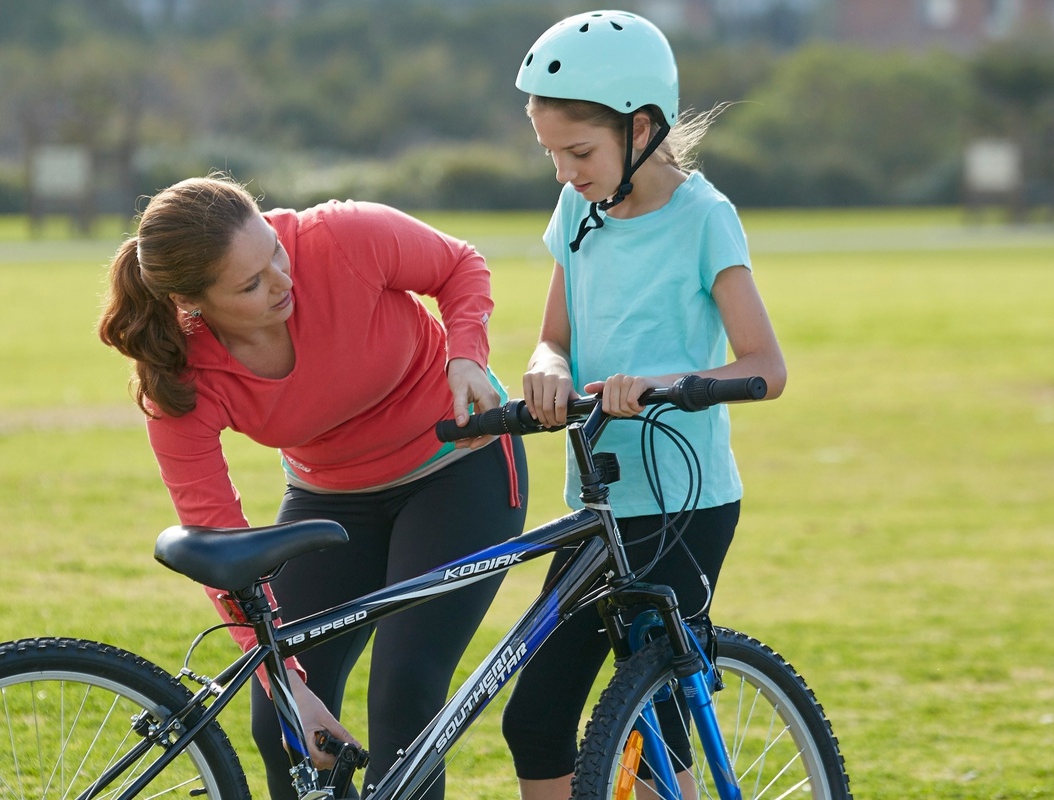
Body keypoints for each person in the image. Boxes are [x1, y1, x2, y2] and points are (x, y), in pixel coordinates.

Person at [98, 175, 528, 800]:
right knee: (281, 724)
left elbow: (459, 264)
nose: (281, 279)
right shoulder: (177, 379)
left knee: (405, 692)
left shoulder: (340, 237)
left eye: (273, 250)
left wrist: (465, 354)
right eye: (250, 284)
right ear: (193, 305)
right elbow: (218, 537)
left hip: (457, 470)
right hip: (330, 497)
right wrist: (289, 685)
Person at [498, 11, 787, 800]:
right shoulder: (576, 214)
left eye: (579, 152)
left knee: (658, 713)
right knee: (535, 718)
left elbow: (767, 366)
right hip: (596, 502)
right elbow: (550, 339)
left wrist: (658, 384)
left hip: (684, 505)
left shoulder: (704, 219)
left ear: (644, 127)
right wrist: (546, 371)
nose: (563, 172)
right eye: (550, 153)